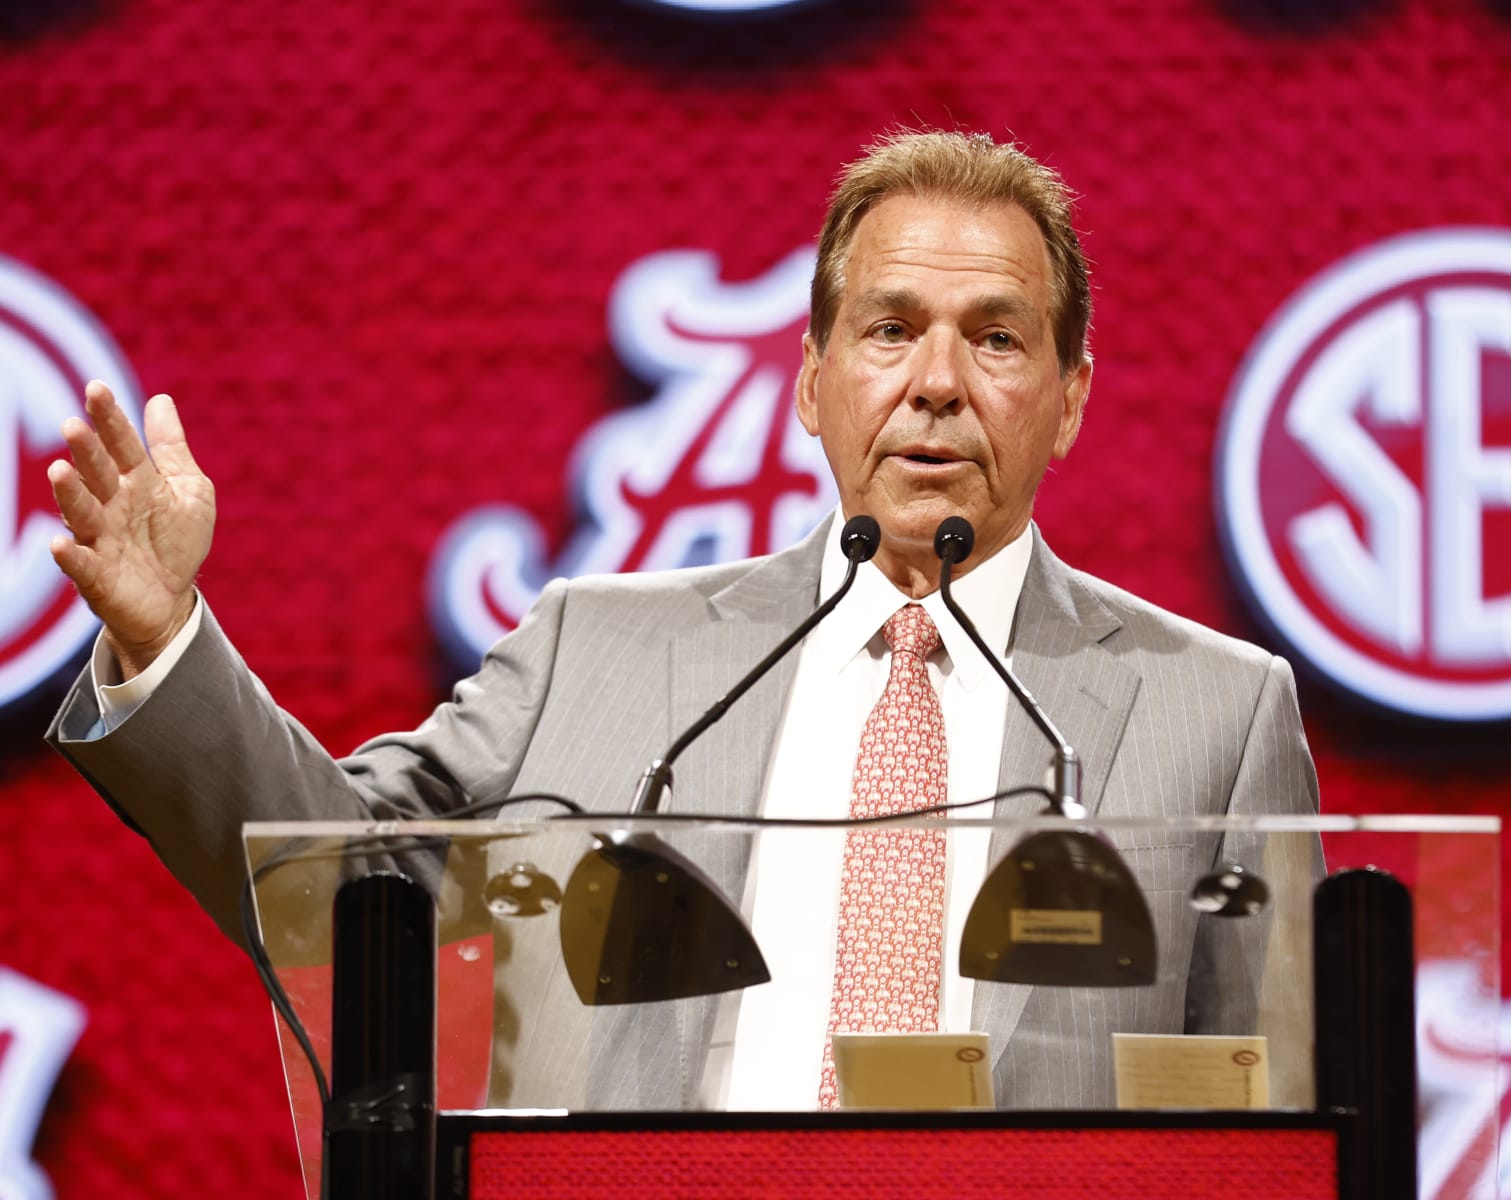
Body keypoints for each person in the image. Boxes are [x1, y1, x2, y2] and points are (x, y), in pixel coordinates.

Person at [45, 130, 1322, 1111]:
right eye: (890, 331)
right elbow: (335, 887)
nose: (937, 384)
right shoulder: (595, 649)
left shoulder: (1215, 708)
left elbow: (1291, 1118)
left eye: (997, 339)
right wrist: (166, 643)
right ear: (812, 385)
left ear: (1070, 397)